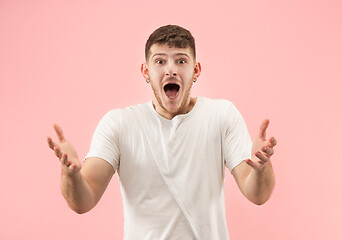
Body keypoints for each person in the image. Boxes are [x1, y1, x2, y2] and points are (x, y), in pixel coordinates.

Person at [47, 25, 277, 240]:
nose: (171, 70)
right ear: (145, 71)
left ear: (195, 70)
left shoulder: (221, 115)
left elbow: (257, 195)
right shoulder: (119, 124)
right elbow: (83, 201)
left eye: (181, 61)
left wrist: (262, 168)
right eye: (160, 61)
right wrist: (71, 175)